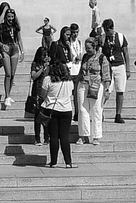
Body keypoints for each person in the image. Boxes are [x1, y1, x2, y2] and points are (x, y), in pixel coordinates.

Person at [40, 26, 77, 168]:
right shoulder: (68, 82)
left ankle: (54, 162)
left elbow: (43, 95)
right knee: (65, 137)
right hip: (66, 110)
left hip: (52, 110)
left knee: (54, 137)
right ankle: (68, 162)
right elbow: (71, 93)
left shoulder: (48, 80)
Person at [79, 24, 109, 145]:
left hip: (97, 85)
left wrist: (107, 89)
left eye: (89, 48)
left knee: (96, 110)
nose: (87, 50)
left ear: (94, 47)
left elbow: (106, 74)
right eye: (86, 48)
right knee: (82, 109)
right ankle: (83, 134)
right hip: (83, 84)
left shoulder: (102, 58)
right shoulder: (85, 57)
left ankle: (96, 136)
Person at [29, 22, 55, 145]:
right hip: (37, 91)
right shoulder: (35, 65)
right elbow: (33, 76)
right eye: (44, 55)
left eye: (47, 55)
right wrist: (42, 69)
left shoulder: (49, 66)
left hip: (46, 92)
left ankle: (47, 137)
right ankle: (37, 137)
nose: (46, 57)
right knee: (37, 116)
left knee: (46, 115)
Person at [0, 3, 22, 109]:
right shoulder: (1, 26)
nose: (10, 19)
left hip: (14, 49)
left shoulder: (16, 27)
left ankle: (9, 95)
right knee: (8, 74)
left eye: (12, 16)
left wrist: (22, 51)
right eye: (9, 17)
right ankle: (6, 96)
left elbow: (19, 39)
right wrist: (2, 46)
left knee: (13, 74)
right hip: (6, 49)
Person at [104, 17, 130, 124]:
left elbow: (126, 53)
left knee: (120, 90)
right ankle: (100, 111)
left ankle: (118, 114)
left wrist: (128, 68)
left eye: (107, 30)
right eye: (105, 30)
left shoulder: (120, 37)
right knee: (107, 90)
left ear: (111, 28)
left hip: (119, 65)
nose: (107, 32)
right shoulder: (103, 38)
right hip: (108, 66)